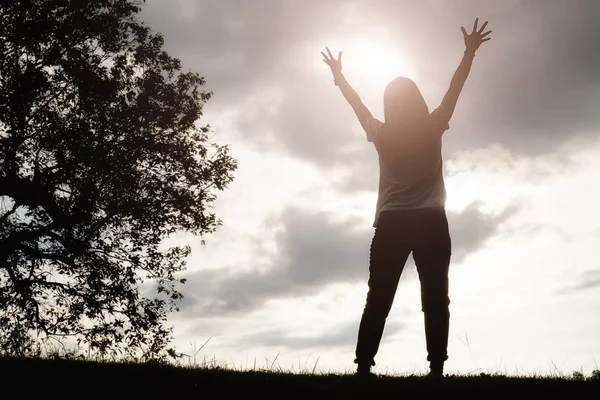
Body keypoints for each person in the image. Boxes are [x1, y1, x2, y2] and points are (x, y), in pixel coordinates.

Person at [321, 18, 491, 377]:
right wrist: (469, 52)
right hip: (430, 220)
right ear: (417, 101)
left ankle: (364, 367)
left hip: (392, 224)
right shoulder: (432, 125)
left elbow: (357, 106)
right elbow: (454, 89)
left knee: (378, 298)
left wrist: (339, 77)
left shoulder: (381, 133)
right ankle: (437, 368)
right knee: (435, 298)